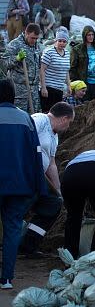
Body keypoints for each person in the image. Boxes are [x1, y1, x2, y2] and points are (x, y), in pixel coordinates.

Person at [0, 78, 46, 289]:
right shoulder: (25, 119)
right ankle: (7, 278)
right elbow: (36, 154)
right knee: (12, 228)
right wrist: (39, 186)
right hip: (19, 185)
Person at [18, 102, 74, 257]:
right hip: (25, 174)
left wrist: (58, 191)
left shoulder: (54, 136)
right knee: (18, 209)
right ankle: (9, 240)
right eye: (69, 123)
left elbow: (51, 164)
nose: (68, 127)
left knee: (53, 203)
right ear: (64, 119)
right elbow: (22, 140)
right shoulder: (40, 119)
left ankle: (28, 244)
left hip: (38, 179)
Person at [3, 23, 42, 112]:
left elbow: (38, 65)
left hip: (34, 90)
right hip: (20, 90)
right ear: (26, 33)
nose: (34, 41)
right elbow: (4, 64)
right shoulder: (15, 44)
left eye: (36, 38)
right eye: (32, 38)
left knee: (34, 117)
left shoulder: (36, 45)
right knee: (20, 115)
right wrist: (16, 59)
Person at [69, 26, 95, 102]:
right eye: (89, 35)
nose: (91, 37)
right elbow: (73, 67)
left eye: (92, 35)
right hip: (84, 82)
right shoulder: (77, 49)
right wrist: (74, 82)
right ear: (84, 36)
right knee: (84, 105)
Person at [39, 28, 71, 112]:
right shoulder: (49, 52)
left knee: (56, 113)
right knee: (47, 112)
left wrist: (68, 85)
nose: (62, 43)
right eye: (59, 41)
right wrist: (43, 87)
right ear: (55, 41)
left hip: (59, 89)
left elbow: (66, 71)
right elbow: (42, 70)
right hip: (49, 88)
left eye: (64, 41)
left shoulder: (67, 53)